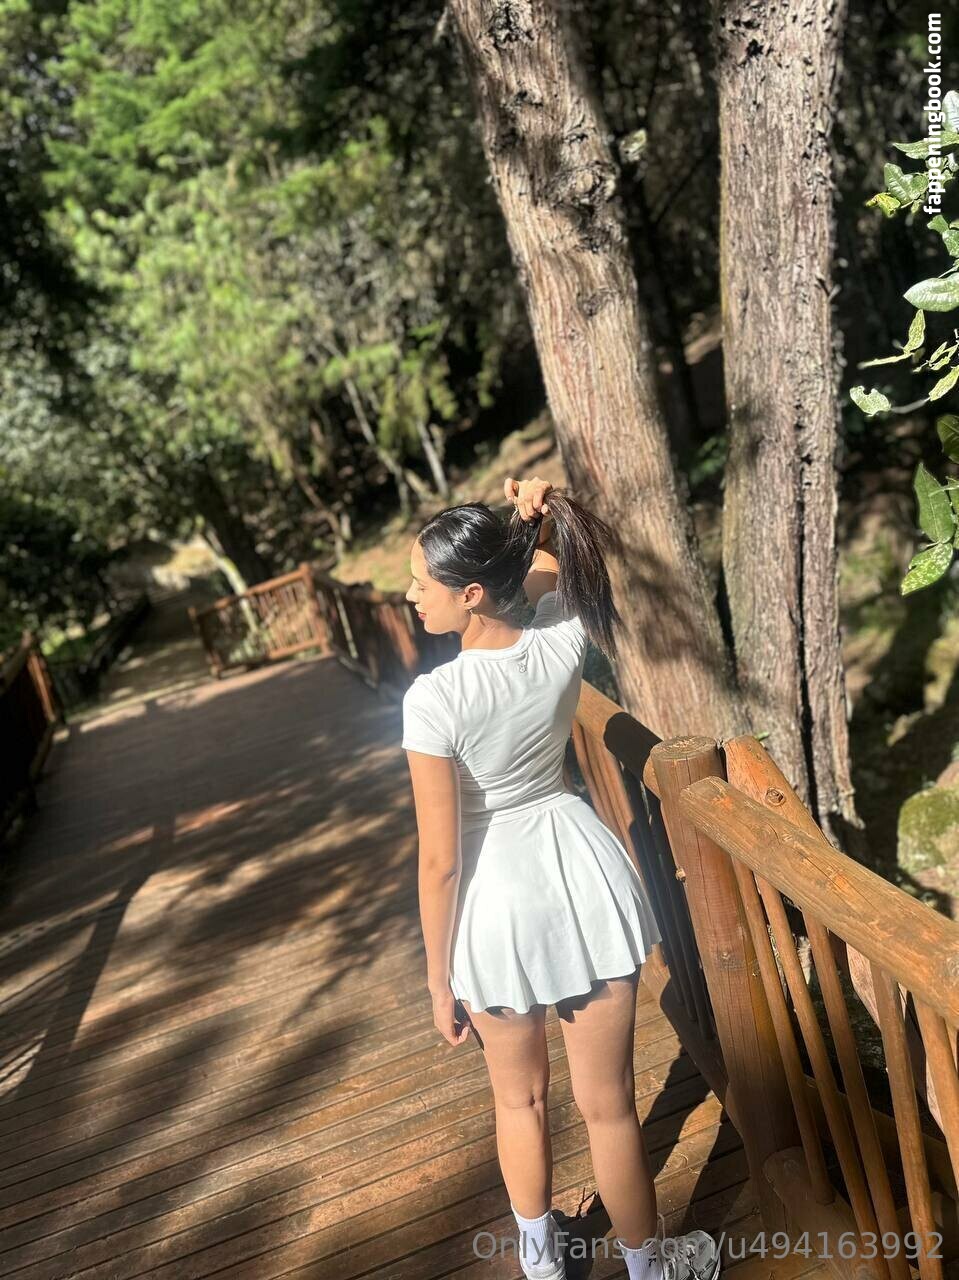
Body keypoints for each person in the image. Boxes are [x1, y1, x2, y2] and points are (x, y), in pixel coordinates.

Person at [401, 475, 722, 1280]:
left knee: (519, 1101)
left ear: (470, 594)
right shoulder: (559, 640)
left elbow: (440, 860)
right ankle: (649, 1269)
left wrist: (437, 980)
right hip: (579, 874)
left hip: (494, 903)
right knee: (609, 1106)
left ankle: (542, 1266)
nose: (409, 597)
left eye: (421, 584)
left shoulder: (432, 699)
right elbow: (548, 569)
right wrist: (533, 516)